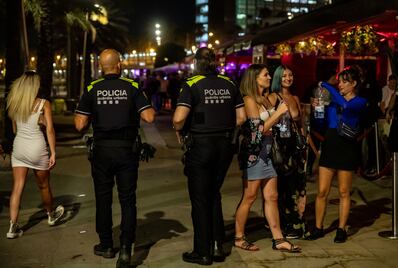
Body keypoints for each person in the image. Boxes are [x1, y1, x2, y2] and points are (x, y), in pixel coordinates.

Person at [74, 49, 155, 268]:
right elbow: (149, 116)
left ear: (101, 66)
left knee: (103, 198)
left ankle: (107, 245)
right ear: (119, 65)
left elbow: (80, 125)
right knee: (128, 199)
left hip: (102, 150)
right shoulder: (132, 87)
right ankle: (126, 250)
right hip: (126, 150)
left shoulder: (92, 89)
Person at [173, 47, 246, 265]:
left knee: (200, 198)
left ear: (196, 63)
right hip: (224, 145)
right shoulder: (230, 82)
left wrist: (179, 130)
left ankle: (202, 251)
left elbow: (178, 118)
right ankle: (217, 245)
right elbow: (241, 118)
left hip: (201, 145)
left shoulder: (192, 84)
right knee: (214, 193)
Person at [234, 64, 301, 253]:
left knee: (272, 196)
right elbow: (257, 132)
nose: (270, 77)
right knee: (250, 196)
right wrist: (279, 113)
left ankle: (278, 239)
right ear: (254, 78)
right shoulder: (248, 100)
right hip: (254, 153)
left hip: (270, 152)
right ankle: (239, 237)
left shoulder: (264, 99)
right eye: (265, 75)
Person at [307, 67, 367, 243]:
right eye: (339, 81)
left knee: (343, 191)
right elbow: (321, 123)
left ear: (354, 84)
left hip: (347, 147)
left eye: (344, 81)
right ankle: (318, 228)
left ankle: (341, 229)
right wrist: (317, 111)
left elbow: (346, 105)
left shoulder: (359, 101)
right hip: (331, 143)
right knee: (322, 191)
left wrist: (326, 84)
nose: (340, 84)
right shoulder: (333, 103)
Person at [6, 71, 64, 239]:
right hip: (37, 148)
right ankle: (51, 215)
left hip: (19, 148)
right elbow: (50, 130)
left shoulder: (14, 103)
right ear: (34, 86)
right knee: (44, 185)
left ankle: (12, 227)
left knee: (17, 187)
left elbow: (15, 130)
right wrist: (53, 152)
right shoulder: (43, 104)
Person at [270, 65, 308, 239]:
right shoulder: (273, 97)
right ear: (278, 77)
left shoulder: (295, 97)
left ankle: (296, 221)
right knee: (282, 187)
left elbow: (300, 125)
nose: (288, 78)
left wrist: (306, 145)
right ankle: (284, 224)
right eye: (284, 75)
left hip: (295, 147)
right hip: (280, 147)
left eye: (290, 74)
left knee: (297, 185)